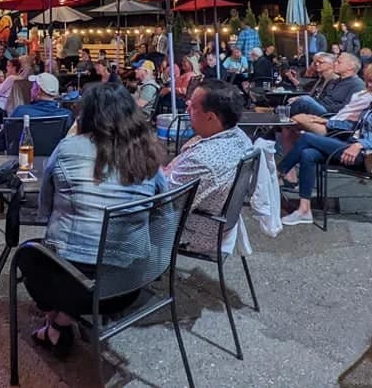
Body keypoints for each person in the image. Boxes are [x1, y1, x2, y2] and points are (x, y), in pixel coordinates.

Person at [25, 82, 165, 355]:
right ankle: (58, 325)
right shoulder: (149, 154)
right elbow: (163, 208)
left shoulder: (68, 148)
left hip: (71, 285)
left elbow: (45, 208)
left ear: (86, 114)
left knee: (31, 254)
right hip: (129, 285)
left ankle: (57, 321)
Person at [280, 63, 372, 226]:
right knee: (308, 154)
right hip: (351, 146)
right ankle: (304, 210)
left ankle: (279, 173)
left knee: (307, 138)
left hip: (366, 155)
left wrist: (361, 144)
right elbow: (355, 126)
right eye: (370, 81)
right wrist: (327, 122)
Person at [163, 80, 253, 252]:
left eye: (193, 106)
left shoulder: (202, 160)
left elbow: (162, 201)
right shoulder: (240, 136)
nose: (187, 108)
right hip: (222, 224)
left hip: (193, 231)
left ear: (211, 116)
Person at [0, 73, 74, 155]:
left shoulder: (21, 111)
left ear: (38, 90)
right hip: (52, 159)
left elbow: (4, 140)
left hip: (23, 159)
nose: (30, 89)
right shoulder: (66, 115)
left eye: (33, 87)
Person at [289, 52, 364, 117]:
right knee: (301, 102)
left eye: (339, 62)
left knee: (305, 100)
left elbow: (347, 108)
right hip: (321, 107)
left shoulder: (357, 84)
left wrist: (319, 105)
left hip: (330, 114)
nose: (334, 64)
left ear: (350, 67)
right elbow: (320, 98)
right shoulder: (335, 81)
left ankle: (284, 116)